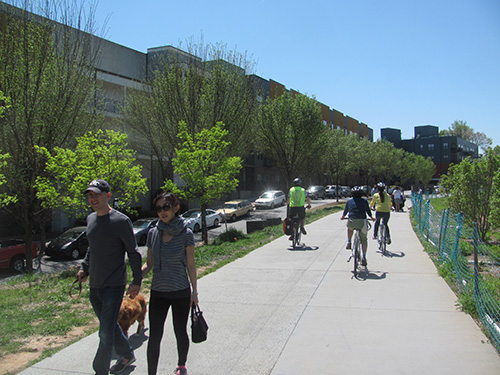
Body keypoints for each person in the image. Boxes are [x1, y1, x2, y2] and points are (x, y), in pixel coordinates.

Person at [76, 179, 142, 375]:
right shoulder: (91, 219)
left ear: (108, 196)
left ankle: (100, 370)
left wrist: (136, 280)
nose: (93, 198)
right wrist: (84, 268)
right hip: (94, 286)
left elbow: (133, 252)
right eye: (90, 195)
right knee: (109, 325)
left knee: (104, 332)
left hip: (114, 285)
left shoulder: (121, 221)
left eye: (96, 194)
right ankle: (128, 353)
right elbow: (92, 248)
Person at [141, 191, 198, 375]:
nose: (162, 212)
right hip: (158, 292)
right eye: (158, 208)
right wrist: (135, 280)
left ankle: (181, 365)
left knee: (180, 331)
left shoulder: (186, 234)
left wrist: (194, 292)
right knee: (155, 336)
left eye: (166, 207)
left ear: (176, 207)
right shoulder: (153, 233)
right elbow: (149, 264)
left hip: (180, 291)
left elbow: (190, 265)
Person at [340, 186, 375, 266]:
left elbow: (346, 210)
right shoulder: (364, 201)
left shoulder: (349, 201)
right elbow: (368, 211)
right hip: (362, 221)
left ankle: (349, 241)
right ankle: (364, 257)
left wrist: (343, 216)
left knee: (349, 228)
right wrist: (371, 217)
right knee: (364, 240)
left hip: (352, 220)